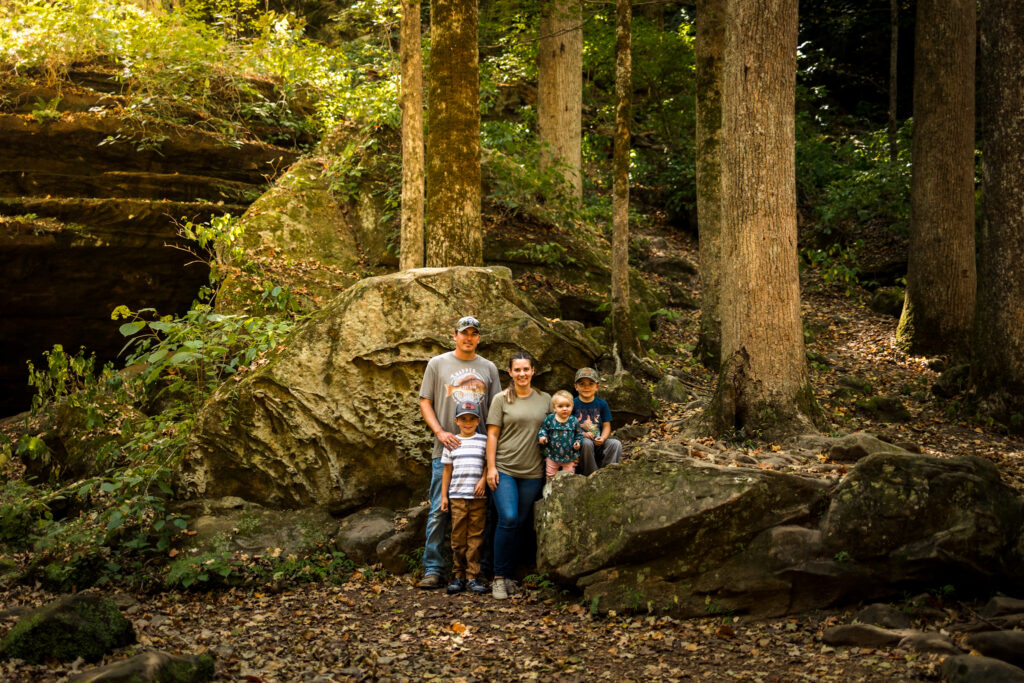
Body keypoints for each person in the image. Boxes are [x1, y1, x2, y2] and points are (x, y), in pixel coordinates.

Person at [418, 316, 502, 590]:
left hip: (479, 455)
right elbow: (425, 401)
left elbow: (496, 412)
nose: (468, 337)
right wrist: (441, 433)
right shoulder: (437, 364)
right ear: (454, 335)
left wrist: (491, 459)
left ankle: (478, 571)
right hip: (446, 452)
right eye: (463, 333)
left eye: (473, 333)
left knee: (482, 514)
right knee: (438, 511)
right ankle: (434, 568)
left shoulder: (488, 368)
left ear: (478, 337)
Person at [485, 351, 551, 600]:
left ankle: (510, 575)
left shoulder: (546, 400)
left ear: (533, 371)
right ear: (510, 373)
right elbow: (492, 435)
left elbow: (559, 427)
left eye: (526, 369)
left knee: (521, 524)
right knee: (508, 518)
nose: (522, 373)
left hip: (533, 472)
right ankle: (499, 578)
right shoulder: (501, 400)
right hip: (505, 469)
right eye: (517, 370)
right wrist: (491, 467)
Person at [439, 400, 489, 595]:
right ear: (456, 421)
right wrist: (444, 496)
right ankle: (458, 575)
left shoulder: (483, 440)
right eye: (463, 419)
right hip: (457, 497)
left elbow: (488, 463)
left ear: (478, 420)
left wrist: (483, 480)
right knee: (458, 538)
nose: (467, 422)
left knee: (475, 538)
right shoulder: (451, 442)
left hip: (478, 498)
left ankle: (472, 576)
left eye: (471, 419)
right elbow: (447, 471)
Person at [573, 368, 623, 476]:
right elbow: (568, 427)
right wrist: (582, 434)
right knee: (586, 443)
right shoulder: (572, 404)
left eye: (591, 383)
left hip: (598, 442)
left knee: (616, 444)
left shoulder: (602, 404)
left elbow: (606, 425)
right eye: (582, 384)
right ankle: (592, 475)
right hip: (581, 445)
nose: (586, 387)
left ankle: (608, 474)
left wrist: (603, 438)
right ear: (576, 386)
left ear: (597, 387)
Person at [537, 390, 582, 480]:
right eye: (560, 406)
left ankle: (567, 492)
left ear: (572, 406)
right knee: (550, 475)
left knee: (569, 477)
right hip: (552, 454)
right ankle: (550, 492)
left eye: (567, 406)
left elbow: (578, 434)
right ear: (554, 408)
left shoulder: (573, 421)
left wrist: (577, 443)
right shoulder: (550, 419)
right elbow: (543, 429)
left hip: (569, 456)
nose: (564, 409)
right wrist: (542, 437)